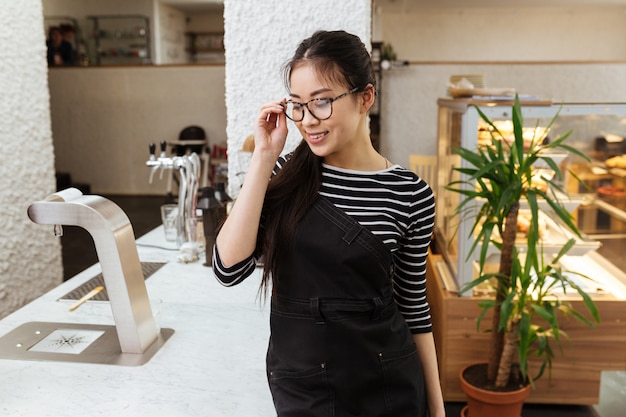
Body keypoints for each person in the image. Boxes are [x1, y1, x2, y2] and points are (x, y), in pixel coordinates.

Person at [213, 30, 445, 417]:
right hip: (305, 384)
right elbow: (228, 268)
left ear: (365, 97)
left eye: (321, 102)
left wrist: (437, 409)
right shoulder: (284, 176)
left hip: (390, 382)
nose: (307, 121)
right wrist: (264, 157)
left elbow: (413, 305)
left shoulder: (411, 193)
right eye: (298, 106)